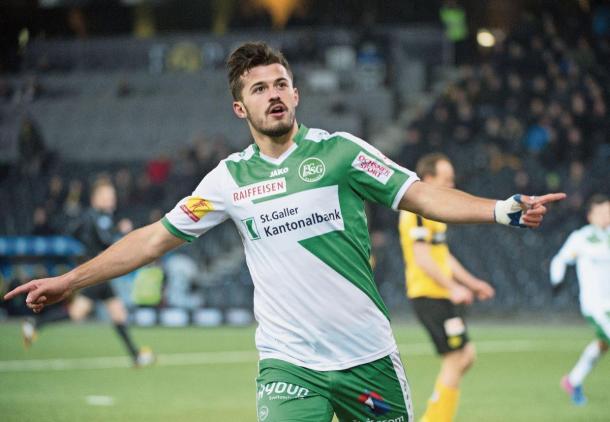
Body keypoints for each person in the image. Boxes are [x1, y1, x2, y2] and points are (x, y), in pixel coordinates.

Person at [4, 42, 565, 422]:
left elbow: (420, 195)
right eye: (258, 88)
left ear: (295, 94)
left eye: (281, 84)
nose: (273, 94)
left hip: (367, 356)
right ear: (238, 106)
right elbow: (153, 238)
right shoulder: (227, 180)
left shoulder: (342, 153)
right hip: (288, 363)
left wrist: (501, 209)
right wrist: (71, 281)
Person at [398, 153, 495, 422]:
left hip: (441, 293)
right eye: (446, 179)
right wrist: (452, 288)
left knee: (464, 356)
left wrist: (472, 283)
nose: (451, 185)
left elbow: (442, 255)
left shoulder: (435, 215)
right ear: (428, 179)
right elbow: (422, 258)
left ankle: (434, 416)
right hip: (429, 295)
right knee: (458, 358)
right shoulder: (415, 211)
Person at [21, 178, 154, 368]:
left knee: (117, 314)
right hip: (96, 273)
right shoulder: (96, 216)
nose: (111, 199)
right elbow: (105, 241)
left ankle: (135, 356)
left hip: (101, 273)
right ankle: (35, 323)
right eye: (107, 196)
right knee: (79, 313)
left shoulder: (99, 217)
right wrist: (121, 231)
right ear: (95, 198)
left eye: (112, 196)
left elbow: (79, 234)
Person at [550, 194, 610, 406]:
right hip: (595, 306)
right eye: (601, 212)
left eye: (608, 211)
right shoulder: (581, 238)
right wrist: (556, 280)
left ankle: (573, 380)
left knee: (603, 345)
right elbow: (560, 259)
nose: (606, 216)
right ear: (590, 216)